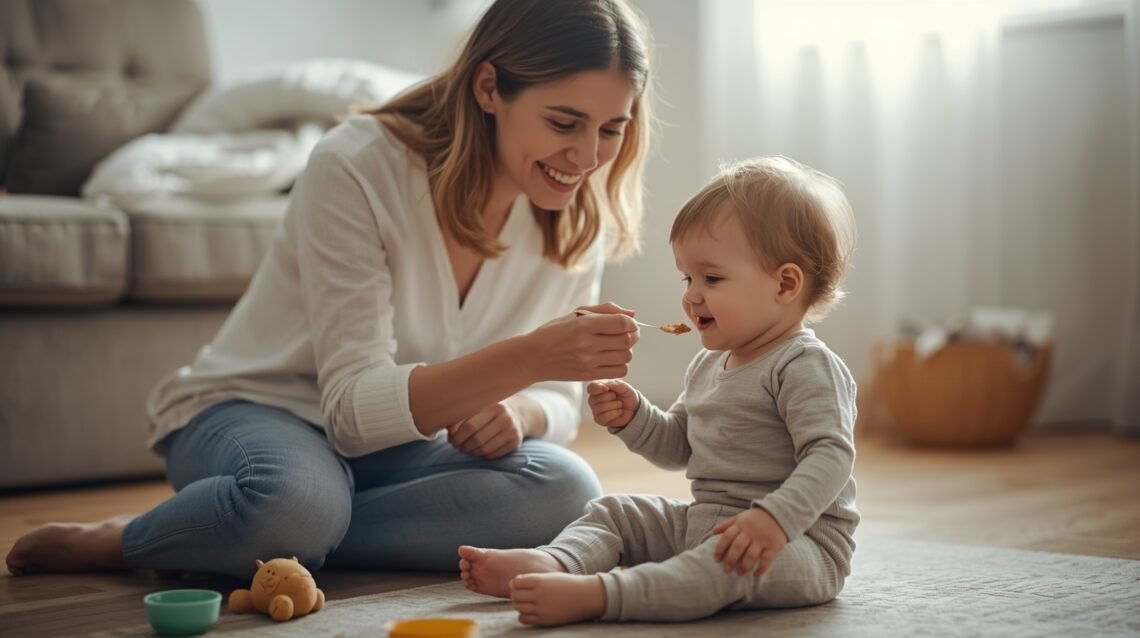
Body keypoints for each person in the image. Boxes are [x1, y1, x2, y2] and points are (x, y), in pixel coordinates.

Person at [6, 0, 654, 579]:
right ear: (490, 87)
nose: (588, 156)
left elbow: (559, 398)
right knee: (294, 502)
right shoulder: (359, 163)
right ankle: (137, 540)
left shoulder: (574, 213)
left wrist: (524, 411)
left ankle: (246, 531)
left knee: (565, 488)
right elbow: (347, 411)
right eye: (564, 122)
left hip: (389, 451)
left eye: (611, 128)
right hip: (258, 411)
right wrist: (533, 355)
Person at [458, 156, 860, 626]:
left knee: (719, 568)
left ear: (785, 284)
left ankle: (602, 595)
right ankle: (558, 561)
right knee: (617, 511)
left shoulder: (805, 365)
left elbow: (831, 456)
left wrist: (774, 519)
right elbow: (680, 448)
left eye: (711, 278)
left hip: (799, 543)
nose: (691, 295)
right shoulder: (710, 362)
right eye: (687, 278)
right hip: (709, 521)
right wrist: (635, 418)